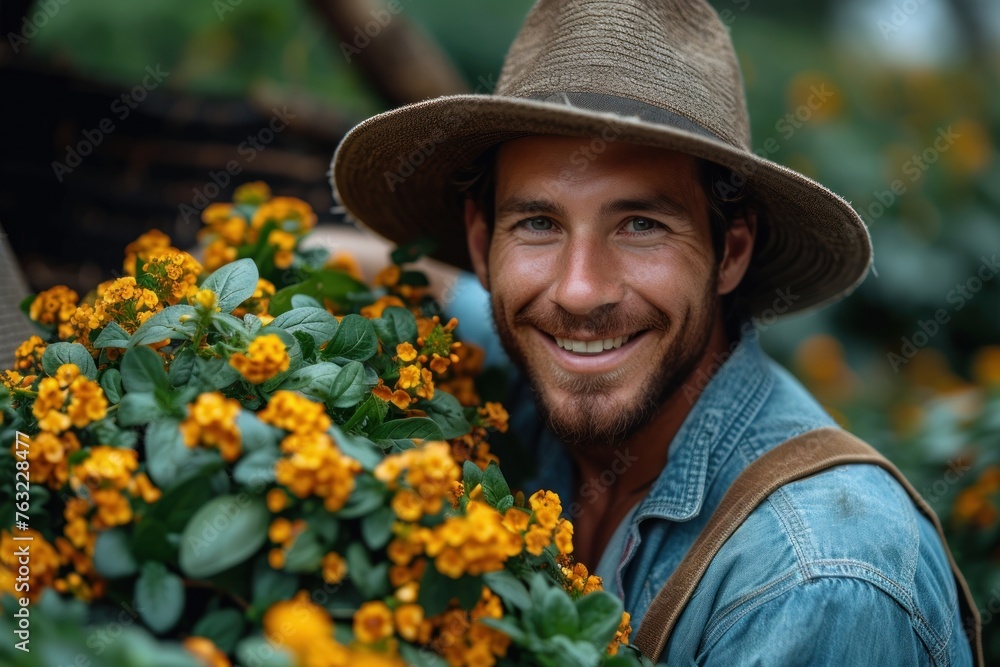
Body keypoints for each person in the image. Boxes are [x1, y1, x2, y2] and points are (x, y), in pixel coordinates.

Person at [330, 0, 982, 663]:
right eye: (538, 223)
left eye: (640, 224)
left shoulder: (813, 584)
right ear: (480, 242)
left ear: (730, 250)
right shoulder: (528, 357)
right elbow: (437, 291)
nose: (579, 291)